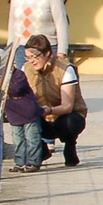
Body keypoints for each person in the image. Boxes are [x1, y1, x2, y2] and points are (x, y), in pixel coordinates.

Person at [25, 34, 87, 167]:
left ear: (47, 53)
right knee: (21, 118)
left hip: (64, 115)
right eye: (28, 57)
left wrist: (48, 110)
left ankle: (70, 144)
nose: (32, 61)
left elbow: (67, 106)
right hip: (40, 116)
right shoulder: (26, 69)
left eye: (35, 56)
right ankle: (41, 150)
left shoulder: (65, 69)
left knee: (71, 121)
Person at [5, 44, 44, 173]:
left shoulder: (19, 74)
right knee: (18, 140)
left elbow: (17, 89)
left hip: (29, 112)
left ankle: (33, 162)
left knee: (32, 138)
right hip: (14, 114)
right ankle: (19, 162)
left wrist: (3, 86)